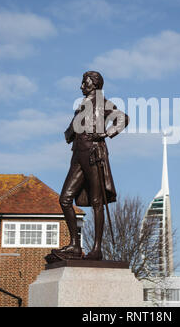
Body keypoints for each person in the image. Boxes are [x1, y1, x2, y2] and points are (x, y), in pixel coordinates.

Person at [54, 71, 129, 261]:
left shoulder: (103, 102)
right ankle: (74, 246)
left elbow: (123, 118)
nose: (81, 86)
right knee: (65, 199)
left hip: (94, 154)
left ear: (94, 84)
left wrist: (106, 133)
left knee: (97, 203)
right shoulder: (81, 106)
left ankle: (97, 249)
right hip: (78, 155)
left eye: (84, 83)